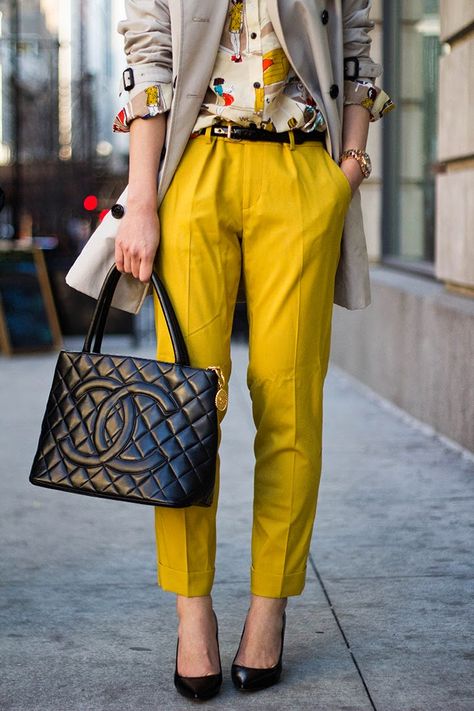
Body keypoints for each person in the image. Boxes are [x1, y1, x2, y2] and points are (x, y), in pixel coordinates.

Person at [110, 0, 395, 701]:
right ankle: (192, 610)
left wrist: (348, 170)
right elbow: (149, 57)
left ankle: (270, 604)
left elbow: (355, 46)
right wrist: (141, 199)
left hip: (299, 173)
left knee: (289, 401)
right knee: (184, 411)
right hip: (194, 171)